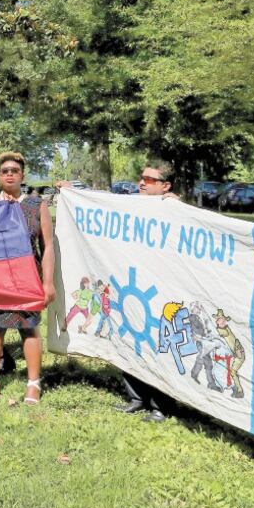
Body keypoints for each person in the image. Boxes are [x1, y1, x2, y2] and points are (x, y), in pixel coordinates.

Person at [0, 152, 56, 405]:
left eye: (15, 170)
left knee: (29, 327)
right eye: (5, 171)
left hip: (28, 277)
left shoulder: (36, 205)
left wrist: (48, 283)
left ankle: (33, 383)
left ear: (22, 175)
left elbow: (47, 246)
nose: (10, 174)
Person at [115, 161, 178, 421]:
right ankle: (136, 397)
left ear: (166, 186)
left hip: (160, 289)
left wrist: (177, 205)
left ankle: (161, 405)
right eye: (141, 178)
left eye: (150, 180)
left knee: (158, 346)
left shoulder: (175, 210)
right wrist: (70, 190)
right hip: (133, 286)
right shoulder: (132, 204)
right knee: (130, 339)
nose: (142, 183)